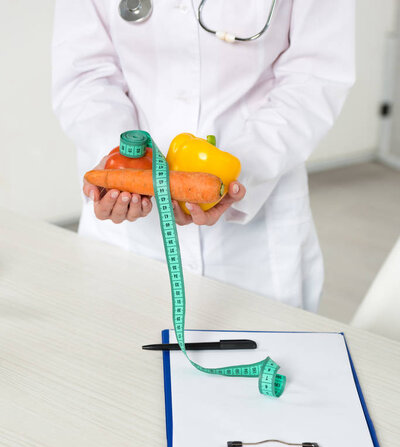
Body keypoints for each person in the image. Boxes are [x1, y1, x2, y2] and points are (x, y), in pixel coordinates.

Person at [52, 0, 355, 312]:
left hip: (257, 236)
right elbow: (85, 75)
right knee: (115, 345)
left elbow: (315, 77)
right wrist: (121, 161)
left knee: (269, 346)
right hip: (129, 232)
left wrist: (240, 170)